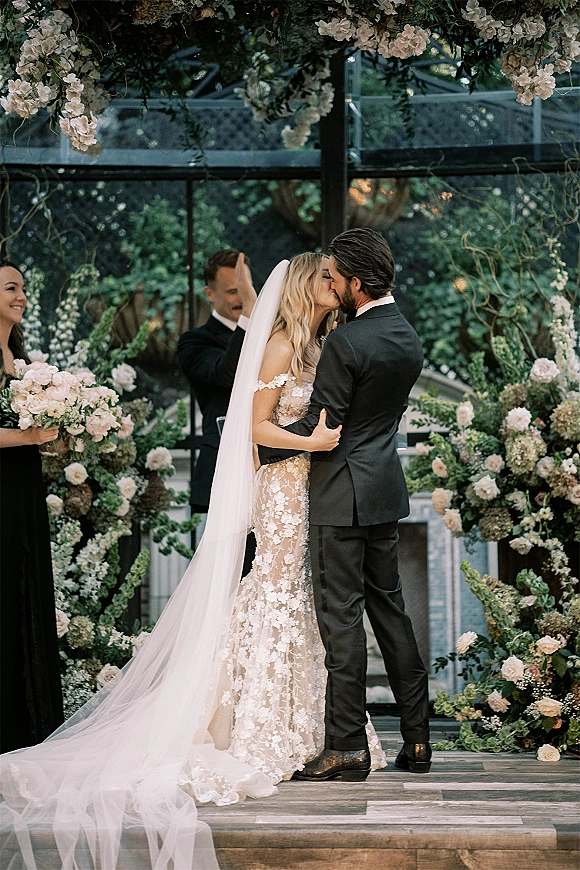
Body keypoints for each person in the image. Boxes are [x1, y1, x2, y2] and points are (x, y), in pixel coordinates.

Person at [0, 255, 383, 870]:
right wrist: (310, 442)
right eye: (326, 279)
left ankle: (304, 718)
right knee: (277, 586)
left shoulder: (320, 342)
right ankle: (260, 722)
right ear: (307, 286)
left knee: (298, 593)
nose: (335, 288)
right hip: (281, 484)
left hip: (310, 484)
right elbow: (257, 427)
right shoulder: (281, 344)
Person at [259, 228, 432, 780]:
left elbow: (324, 422)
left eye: (335, 276)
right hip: (383, 490)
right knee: (391, 613)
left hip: (337, 496)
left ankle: (347, 746)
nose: (329, 282)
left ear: (356, 282)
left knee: (340, 621)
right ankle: (419, 740)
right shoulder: (407, 336)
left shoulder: (346, 343)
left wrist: (265, 439)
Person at [0, 260, 64, 752]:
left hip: (22, 492)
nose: (21, 296)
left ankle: (26, 724)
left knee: (24, 591)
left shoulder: (18, 359)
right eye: (11, 288)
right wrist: (29, 434)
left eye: (23, 288)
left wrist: (55, 438)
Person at [177, 248, 257, 573]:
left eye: (246, 288)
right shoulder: (194, 342)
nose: (242, 298)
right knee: (231, 574)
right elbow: (226, 375)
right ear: (209, 293)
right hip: (226, 469)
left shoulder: (270, 333)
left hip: (272, 468)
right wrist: (251, 317)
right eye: (232, 291)